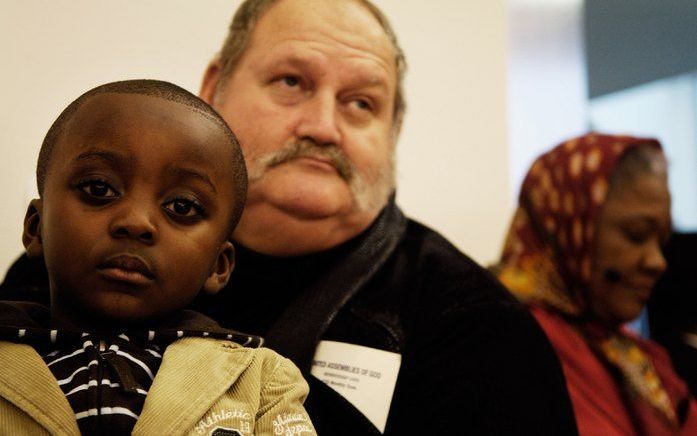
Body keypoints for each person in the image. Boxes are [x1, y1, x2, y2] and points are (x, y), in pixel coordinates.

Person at [1, 1, 578, 434]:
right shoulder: (66, 270)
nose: (322, 126)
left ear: (394, 133)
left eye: (361, 103)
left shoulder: (476, 328)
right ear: (213, 88)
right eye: (291, 82)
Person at [0, 80, 316, 435]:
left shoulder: (261, 383)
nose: (136, 222)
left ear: (219, 265)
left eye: (182, 207)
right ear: (36, 227)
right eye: (98, 189)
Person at [495, 133, 697, 435]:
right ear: (567, 224)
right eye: (636, 234)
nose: (657, 261)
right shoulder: (509, 344)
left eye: (662, 241)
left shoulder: (634, 356)